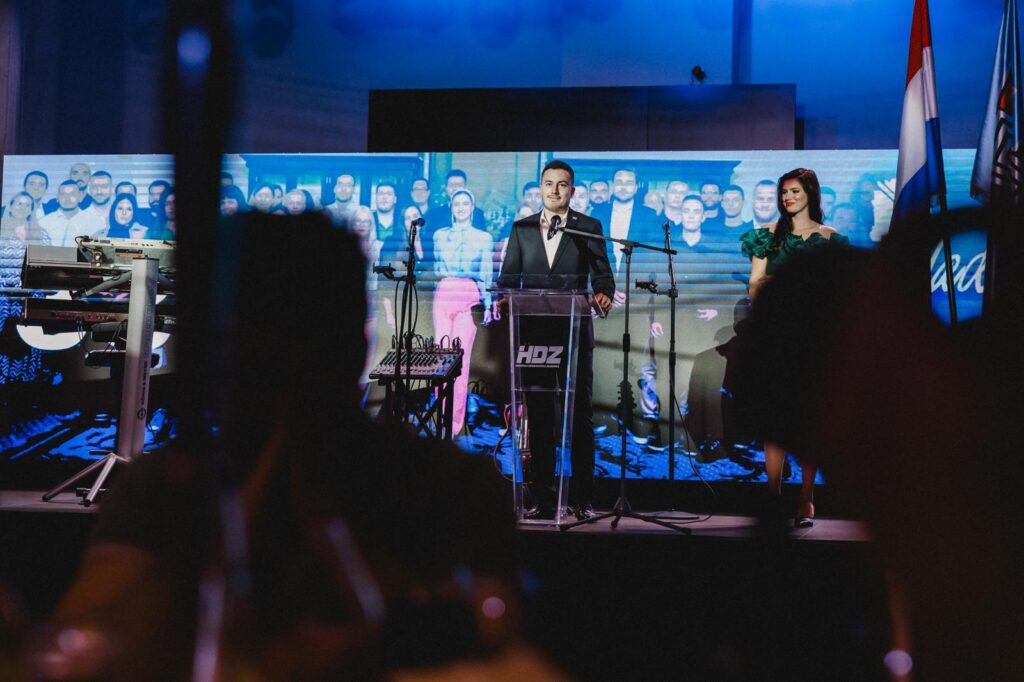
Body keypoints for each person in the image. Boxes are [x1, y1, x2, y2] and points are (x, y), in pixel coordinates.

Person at [43, 216, 532, 680]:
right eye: (262, 349)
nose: (285, 372)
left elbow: (492, 629)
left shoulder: (448, 486)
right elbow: (87, 634)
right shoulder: (170, 484)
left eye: (301, 349)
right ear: (361, 345)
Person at [498, 160, 614, 520]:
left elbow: (603, 275)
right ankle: (542, 497)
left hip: (574, 331)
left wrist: (604, 293)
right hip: (533, 332)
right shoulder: (521, 228)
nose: (554, 190)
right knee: (539, 414)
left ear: (572, 191)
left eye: (562, 184)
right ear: (540, 187)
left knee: (579, 414)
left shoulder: (588, 227)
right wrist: (503, 298)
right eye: (548, 183)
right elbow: (507, 278)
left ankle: (582, 498)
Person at [739, 167, 849, 527]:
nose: (788, 198)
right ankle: (773, 496)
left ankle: (806, 499)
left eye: (795, 192)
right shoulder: (766, 236)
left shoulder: (830, 239)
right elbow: (754, 286)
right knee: (776, 421)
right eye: (784, 192)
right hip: (775, 339)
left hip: (813, 341)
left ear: (810, 194)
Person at [432, 189, 494, 437]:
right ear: (451, 207)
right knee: (441, 356)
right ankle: (441, 415)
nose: (460, 207)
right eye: (456, 203)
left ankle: (454, 422)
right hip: (444, 290)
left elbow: (486, 273)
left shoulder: (483, 238)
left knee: (460, 358)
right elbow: (438, 265)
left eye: (465, 203)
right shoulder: (439, 235)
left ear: (472, 207)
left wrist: (488, 303)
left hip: (468, 291)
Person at [0, 192, 49, 286]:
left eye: (27, 205)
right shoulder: (2, 232)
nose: (23, 208)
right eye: (19, 204)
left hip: (34, 288)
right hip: (4, 289)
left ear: (31, 211)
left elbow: (47, 263)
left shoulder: (41, 234)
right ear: (10, 208)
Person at [67, 171, 114, 238]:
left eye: (104, 187)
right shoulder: (77, 220)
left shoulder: (123, 216)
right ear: (89, 190)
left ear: (112, 189)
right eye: (95, 187)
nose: (99, 191)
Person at [38, 180, 83, 247]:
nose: (67, 198)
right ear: (57, 197)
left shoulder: (92, 221)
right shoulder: (43, 223)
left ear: (80, 197)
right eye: (63, 194)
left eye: (72, 194)